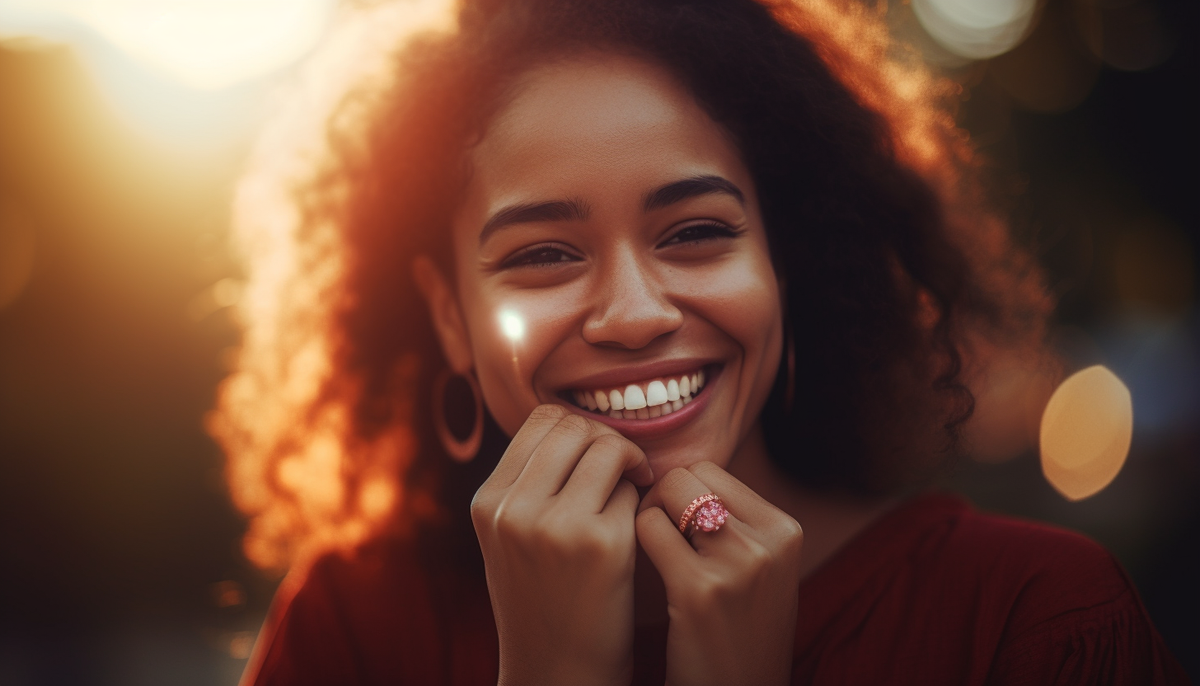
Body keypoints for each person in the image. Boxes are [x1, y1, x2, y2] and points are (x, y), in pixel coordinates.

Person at [210, 0, 1188, 684]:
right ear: (450, 317)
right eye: (545, 253)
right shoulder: (355, 629)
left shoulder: (1031, 621)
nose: (634, 312)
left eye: (696, 232)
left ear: (784, 264)